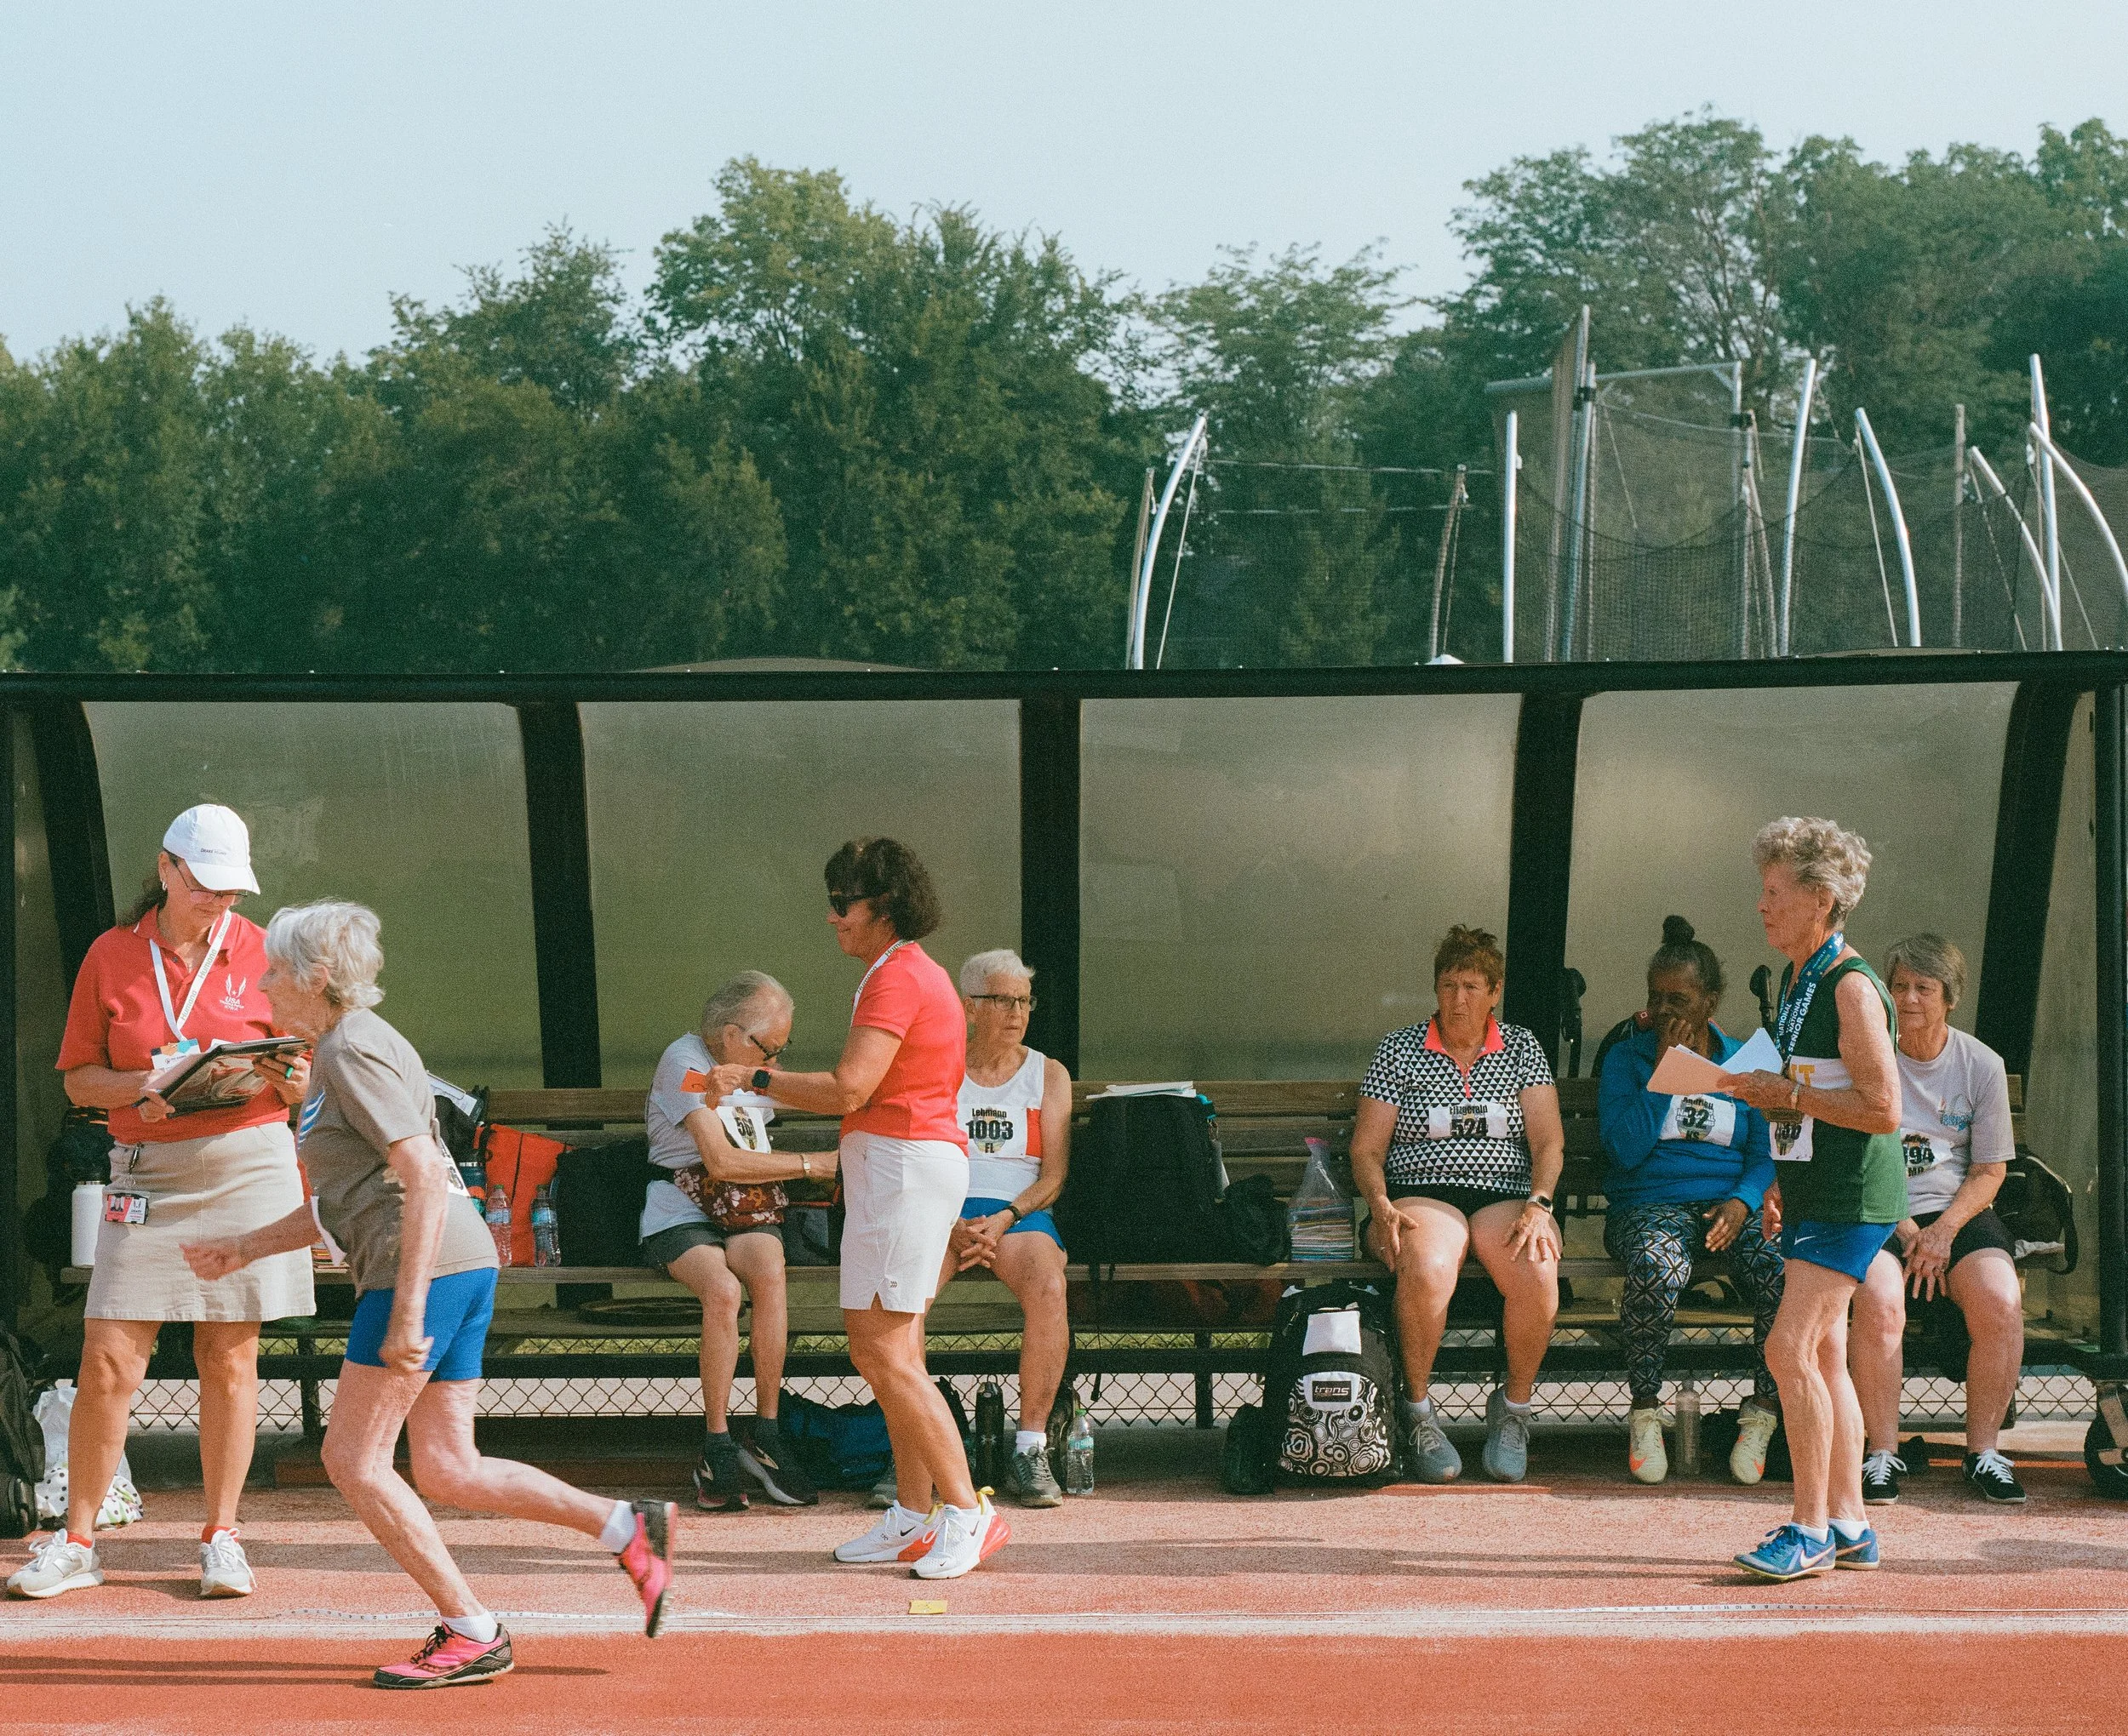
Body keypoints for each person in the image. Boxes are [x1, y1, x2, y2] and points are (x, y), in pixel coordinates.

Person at [178, 902, 673, 1688]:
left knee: (353, 1459)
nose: (263, 982)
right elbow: (350, 1195)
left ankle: (473, 1629)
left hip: (426, 1268)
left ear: (315, 977)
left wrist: (407, 1310)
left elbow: (418, 1175)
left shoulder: (350, 1051)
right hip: (455, 1263)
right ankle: (625, 1524)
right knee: (445, 1466)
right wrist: (244, 1245)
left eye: (273, 969)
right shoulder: (345, 1050)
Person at [9, 806, 312, 1602]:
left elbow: (301, 1065)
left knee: (229, 1354)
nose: (224, 903)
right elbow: (78, 1079)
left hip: (250, 1164)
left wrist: (291, 1076)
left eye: (233, 890)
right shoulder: (112, 954)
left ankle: (221, 1535)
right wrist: (146, 1084)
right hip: (145, 1169)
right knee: (108, 1354)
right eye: (208, 886)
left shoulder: (265, 951)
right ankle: (77, 1540)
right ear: (168, 870)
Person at [738, 838, 1008, 1579]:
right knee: (894, 1351)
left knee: (883, 1352)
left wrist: (755, 1076)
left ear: (881, 908)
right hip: (896, 1167)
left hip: (902, 1168)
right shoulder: (899, 971)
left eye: (842, 904)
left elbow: (851, 1087)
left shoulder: (899, 977)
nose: (832, 919)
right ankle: (915, 1517)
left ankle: (966, 1512)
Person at [1723, 817, 1906, 1580]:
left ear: (1822, 900)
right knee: (1824, 1352)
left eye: (1775, 893)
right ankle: (1851, 1524)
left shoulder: (1852, 985)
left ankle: (1808, 1531)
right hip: (1813, 1190)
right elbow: (1810, 1094)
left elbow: (1883, 1108)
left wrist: (1781, 1090)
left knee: (1787, 1347)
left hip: (1851, 1196)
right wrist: (1773, 1178)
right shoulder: (1801, 976)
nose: (1761, 906)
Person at [1352, 924, 1565, 1486]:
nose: (1458, 999)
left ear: (1495, 990)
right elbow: (1367, 1148)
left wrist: (1539, 1205)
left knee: (1538, 1268)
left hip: (1506, 1198)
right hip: (1422, 1195)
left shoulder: (1521, 1048)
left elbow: (1548, 1142)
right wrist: (1378, 1202)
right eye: (1448, 985)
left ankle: (1514, 1411)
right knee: (1426, 1266)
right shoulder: (1401, 1050)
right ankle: (1417, 1413)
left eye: (1472, 986)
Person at [1599, 917, 1784, 1486]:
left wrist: (1743, 1201)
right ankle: (1646, 1411)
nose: (1662, 1009)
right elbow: (1624, 1153)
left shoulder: (1750, 1059)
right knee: (1658, 1266)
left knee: (1783, 1272)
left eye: (1677, 998)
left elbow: (1768, 1150)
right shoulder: (1627, 1060)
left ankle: (1762, 1415)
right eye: (1654, 996)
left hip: (1728, 1205)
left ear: (1710, 1000)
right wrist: (1663, 1072)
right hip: (1647, 1203)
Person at [640, 971, 831, 1513]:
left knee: (769, 1269)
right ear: (730, 1035)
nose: (774, 1062)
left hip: (744, 1206)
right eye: (769, 1048)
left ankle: (766, 1432)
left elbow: (820, 1096)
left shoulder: (752, 1070)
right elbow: (720, 1161)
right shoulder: (686, 1060)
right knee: (723, 1291)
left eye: (781, 1050)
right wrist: (813, 1164)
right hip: (682, 1204)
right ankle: (717, 1441)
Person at [1848, 934, 2026, 1505]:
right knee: (1878, 1300)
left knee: (2000, 1297)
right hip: (1879, 1208)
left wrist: (1943, 1231)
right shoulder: (1869, 1055)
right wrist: (1906, 1228)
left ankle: (1984, 1453)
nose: (1909, 999)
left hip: (1957, 1212)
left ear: (1949, 997)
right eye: (1898, 986)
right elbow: (1856, 1155)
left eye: (1924, 987)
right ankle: (1881, 1453)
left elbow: (1991, 1170)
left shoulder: (1981, 1065)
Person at [937, 948, 1073, 1508]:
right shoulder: (938, 1067)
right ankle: (914, 1450)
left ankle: (1030, 1448)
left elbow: (1055, 1174)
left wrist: (1008, 1216)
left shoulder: (1048, 1074)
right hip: (945, 1211)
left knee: (1049, 1286)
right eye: (1003, 1000)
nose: (1017, 1011)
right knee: (903, 1294)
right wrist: (949, 1222)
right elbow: (915, 1152)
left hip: (1018, 1212)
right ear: (971, 1007)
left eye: (1024, 1001)